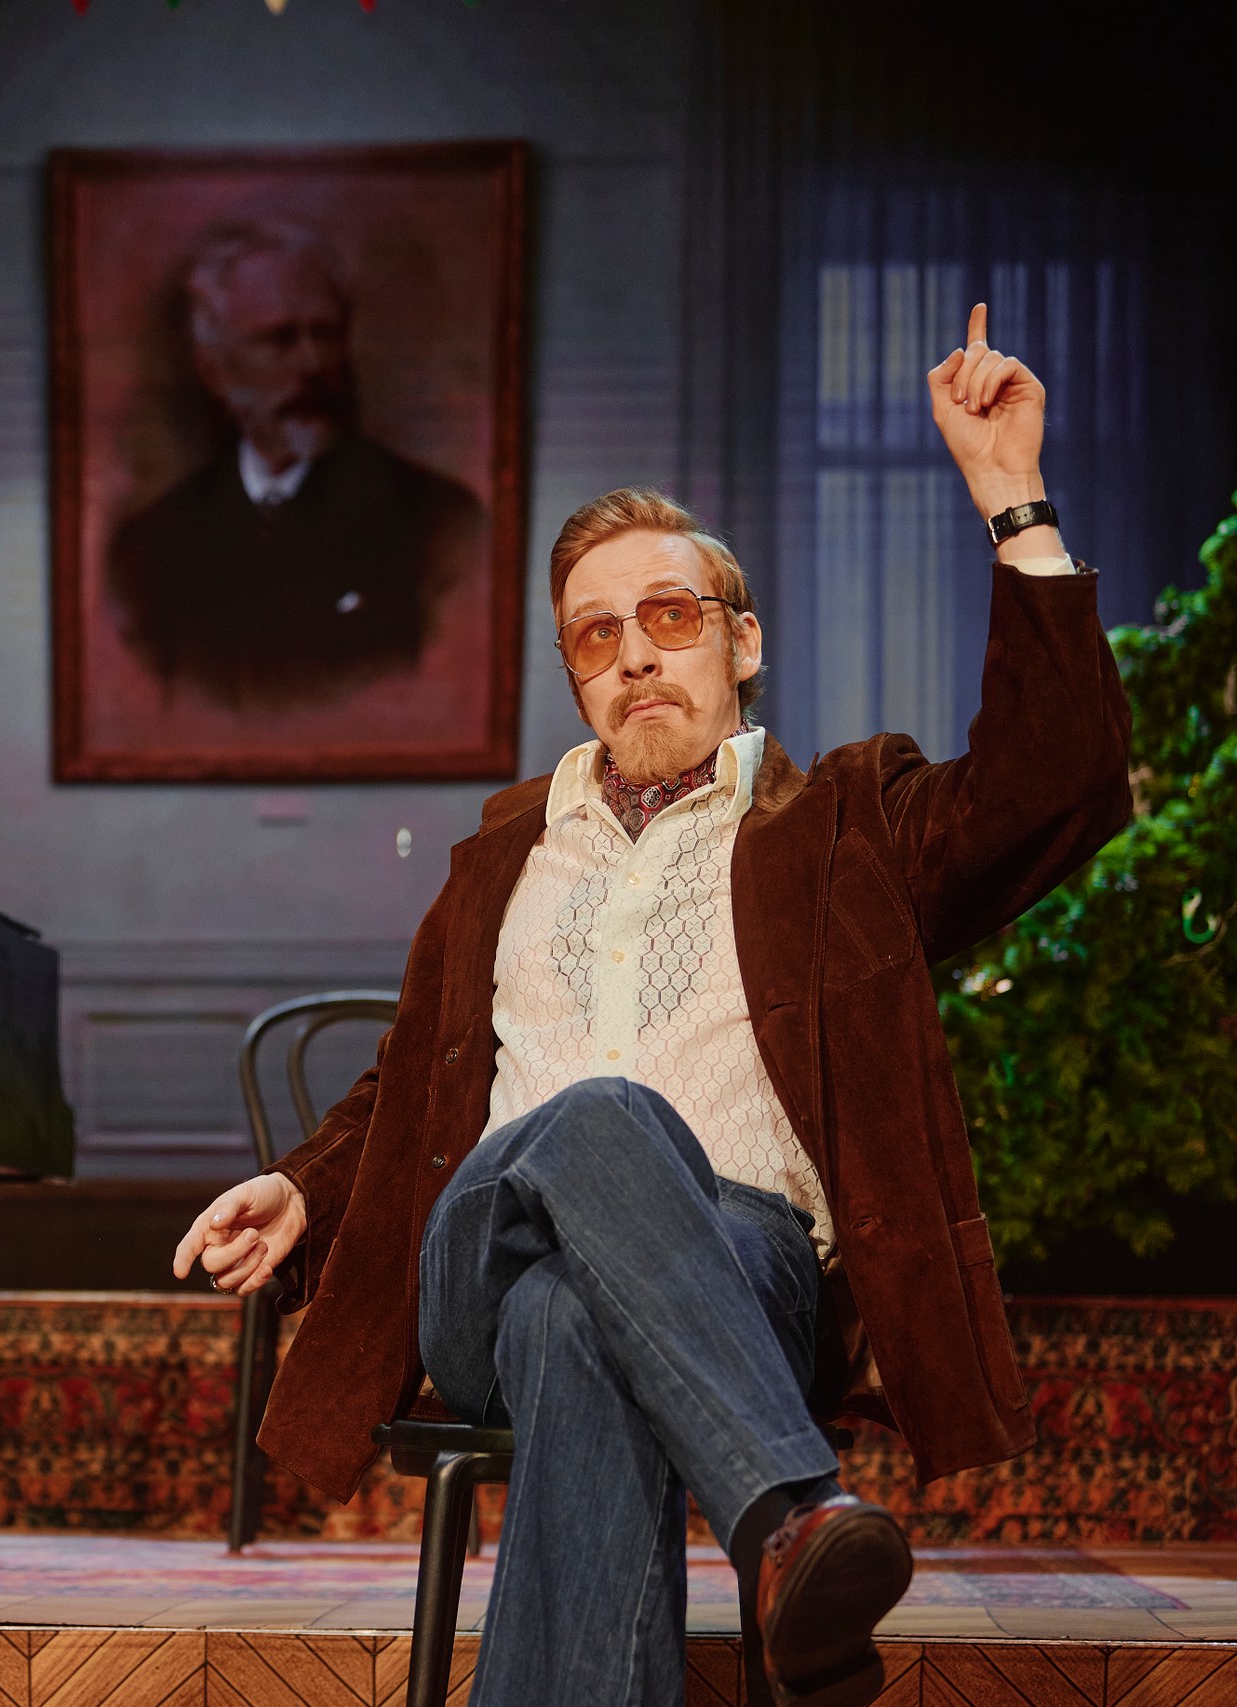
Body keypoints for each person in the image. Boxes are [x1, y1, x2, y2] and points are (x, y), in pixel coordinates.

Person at [174, 306, 1125, 1707]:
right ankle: (788, 1510)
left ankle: (771, 1538)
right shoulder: (501, 853)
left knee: (576, 1318)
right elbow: (413, 1081)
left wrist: (1011, 497)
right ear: (576, 675)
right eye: (595, 634)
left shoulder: (843, 828)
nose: (632, 654)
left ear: (740, 641)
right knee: (594, 1127)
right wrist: (305, 1189)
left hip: (748, 1266)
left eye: (669, 617)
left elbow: (1060, 783)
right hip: (479, 1268)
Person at [107, 220, 484, 712]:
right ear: (214, 369)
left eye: (326, 335)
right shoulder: (150, 546)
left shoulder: (438, 524)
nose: (313, 364)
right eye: (280, 339)